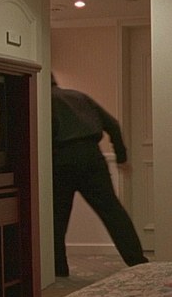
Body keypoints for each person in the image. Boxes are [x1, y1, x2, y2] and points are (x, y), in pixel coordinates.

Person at [51, 75, 148, 276]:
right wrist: (121, 157)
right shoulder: (79, 97)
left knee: (56, 218)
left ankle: (58, 269)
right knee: (113, 212)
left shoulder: (44, 103)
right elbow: (112, 124)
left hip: (60, 159)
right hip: (92, 157)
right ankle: (138, 261)